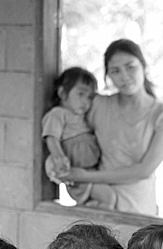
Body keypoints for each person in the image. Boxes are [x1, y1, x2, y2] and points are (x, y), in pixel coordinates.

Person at [60, 39, 163, 216]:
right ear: (108, 76)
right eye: (115, 71)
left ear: (143, 66)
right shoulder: (98, 105)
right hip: (96, 207)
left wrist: (83, 176)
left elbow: (144, 170)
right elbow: (63, 125)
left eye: (130, 67)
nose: (124, 76)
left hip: (139, 213)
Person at [42, 67, 116, 209]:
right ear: (63, 93)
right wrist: (58, 156)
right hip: (78, 174)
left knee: (104, 199)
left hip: (92, 171)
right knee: (108, 198)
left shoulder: (84, 117)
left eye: (89, 97)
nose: (85, 102)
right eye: (81, 94)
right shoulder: (58, 114)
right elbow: (51, 136)